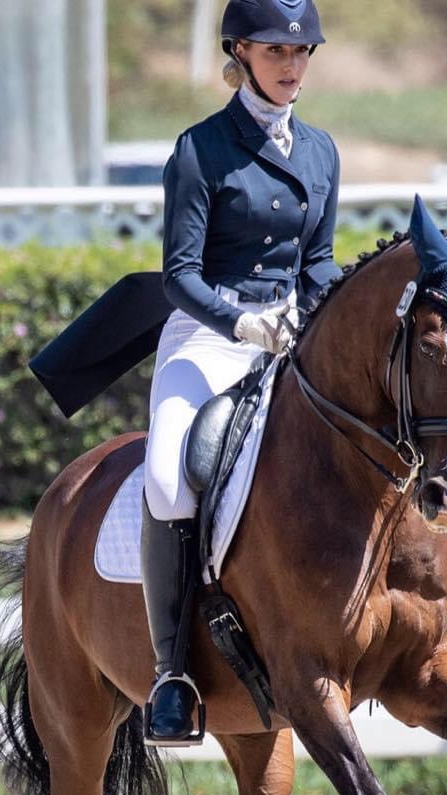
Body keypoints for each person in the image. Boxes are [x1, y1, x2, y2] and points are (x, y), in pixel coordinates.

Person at [142, 0, 343, 745]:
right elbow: (179, 274)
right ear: (240, 53)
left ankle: (420, 631)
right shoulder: (200, 149)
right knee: (168, 476)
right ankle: (172, 673)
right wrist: (239, 321)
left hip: (290, 335)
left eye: (302, 54)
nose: (292, 66)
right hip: (209, 334)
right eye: (275, 53)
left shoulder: (319, 151)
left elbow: (317, 262)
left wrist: (323, 320)